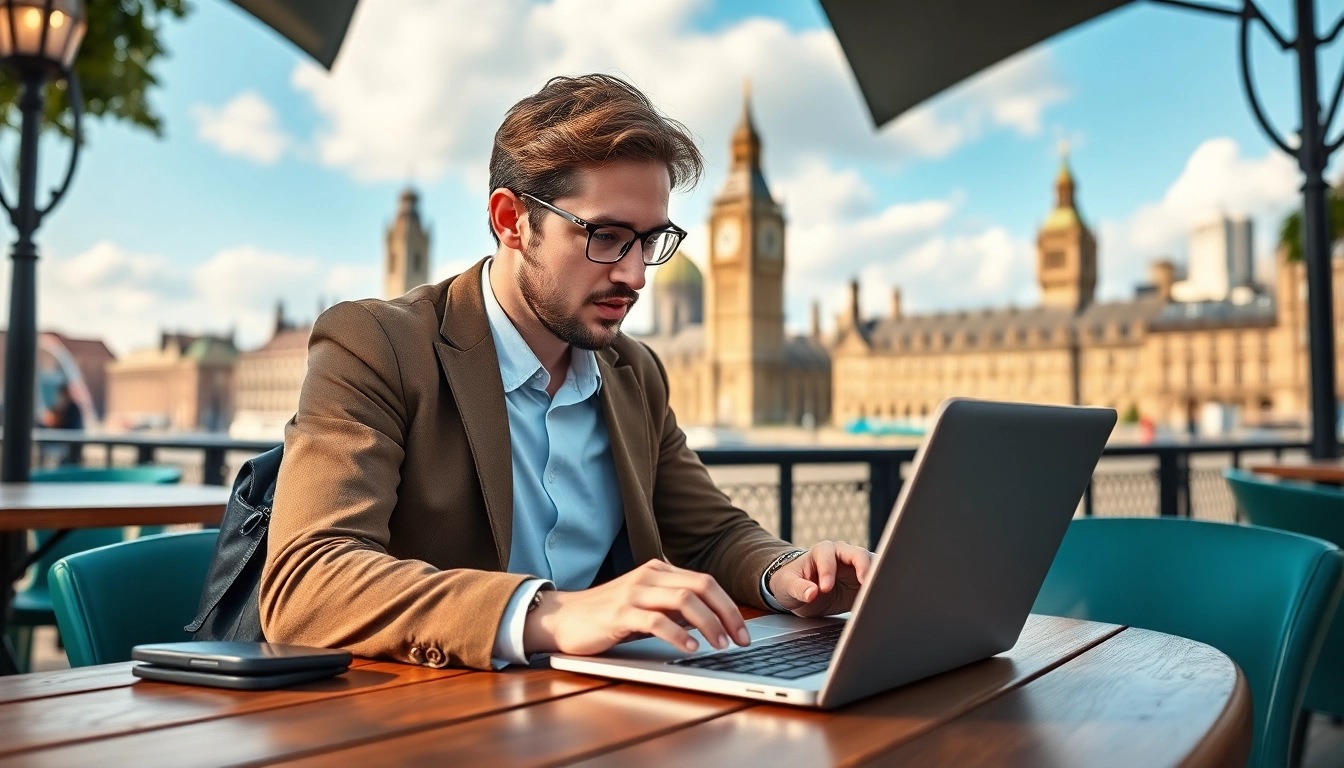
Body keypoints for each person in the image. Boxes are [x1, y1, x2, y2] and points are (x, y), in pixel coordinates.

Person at [260, 74, 872, 671]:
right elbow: (308, 579)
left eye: (650, 241)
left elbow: (709, 534)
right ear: (511, 221)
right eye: (606, 236)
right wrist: (547, 615)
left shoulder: (634, 370)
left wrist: (791, 574)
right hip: (419, 711)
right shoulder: (377, 345)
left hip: (593, 712)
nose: (635, 275)